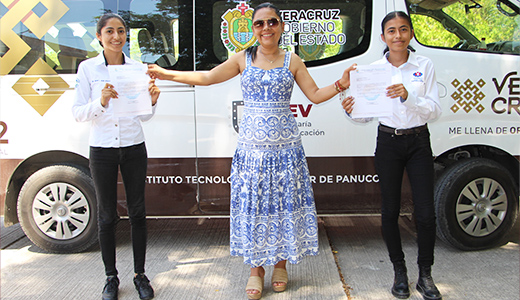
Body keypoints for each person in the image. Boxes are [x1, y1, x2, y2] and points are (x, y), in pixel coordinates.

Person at [147, 3, 355, 299]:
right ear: (253, 29)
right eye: (259, 24)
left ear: (281, 26)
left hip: (286, 153)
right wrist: (167, 75)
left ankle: (280, 265)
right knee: (255, 208)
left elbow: (316, 95)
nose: (266, 28)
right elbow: (207, 78)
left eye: (272, 22)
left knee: (283, 207)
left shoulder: (293, 61)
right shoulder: (242, 59)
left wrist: (340, 84)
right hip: (252, 154)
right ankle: (256, 269)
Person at [341, 11, 442, 300]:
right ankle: (400, 271)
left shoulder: (424, 65)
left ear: (410, 33)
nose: (398, 36)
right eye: (391, 31)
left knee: (425, 213)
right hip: (388, 143)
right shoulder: (372, 70)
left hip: (419, 141)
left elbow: (434, 110)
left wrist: (408, 95)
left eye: (403, 29)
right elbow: (364, 117)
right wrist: (352, 110)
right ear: (383, 36)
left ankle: (425, 274)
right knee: (389, 211)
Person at [72, 13, 160, 300]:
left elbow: (144, 115)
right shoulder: (87, 69)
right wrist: (101, 101)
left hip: (134, 146)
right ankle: (111, 277)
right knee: (107, 215)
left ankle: (140, 275)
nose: (116, 36)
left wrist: (153, 100)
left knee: (137, 212)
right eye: (109, 31)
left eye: (121, 31)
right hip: (102, 150)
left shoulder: (136, 68)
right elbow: (78, 113)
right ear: (99, 36)